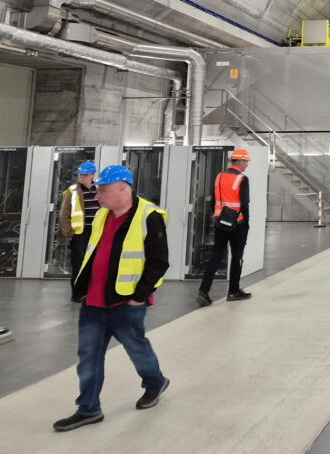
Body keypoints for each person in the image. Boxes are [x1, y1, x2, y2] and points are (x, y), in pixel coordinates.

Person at [53, 165, 170, 432]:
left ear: (122, 188)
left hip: (125, 303)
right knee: (89, 356)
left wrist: (139, 297)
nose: (97, 196)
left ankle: (155, 382)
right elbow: (94, 254)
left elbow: (159, 262)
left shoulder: (149, 216)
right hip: (93, 302)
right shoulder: (102, 217)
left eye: (103, 190)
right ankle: (89, 409)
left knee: (137, 350)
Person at [197, 148, 252, 306]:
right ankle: (233, 291)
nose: (246, 165)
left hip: (220, 222)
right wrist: (246, 224)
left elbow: (214, 200)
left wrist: (215, 218)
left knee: (215, 256)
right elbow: (244, 204)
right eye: (246, 162)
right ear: (239, 161)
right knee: (236, 257)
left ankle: (203, 292)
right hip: (237, 224)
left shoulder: (219, 176)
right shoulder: (242, 179)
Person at [59, 161, 101, 302]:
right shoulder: (72, 191)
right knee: (79, 264)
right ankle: (78, 294)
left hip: (97, 233)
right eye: (80, 175)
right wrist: (70, 234)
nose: (81, 177)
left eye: (85, 175)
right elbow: (64, 215)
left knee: (96, 263)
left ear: (93, 175)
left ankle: (93, 292)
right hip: (80, 234)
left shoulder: (99, 189)